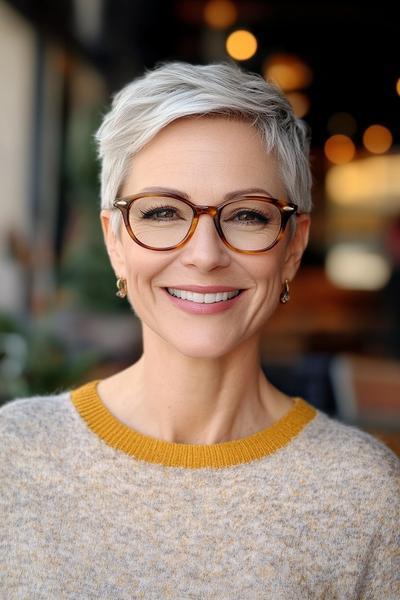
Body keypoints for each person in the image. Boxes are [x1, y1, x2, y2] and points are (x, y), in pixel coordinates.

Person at [1, 61, 399, 599]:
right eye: (163, 212)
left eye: (247, 216)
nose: (205, 256)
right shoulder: (14, 456)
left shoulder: (366, 494)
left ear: (294, 245)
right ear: (115, 240)